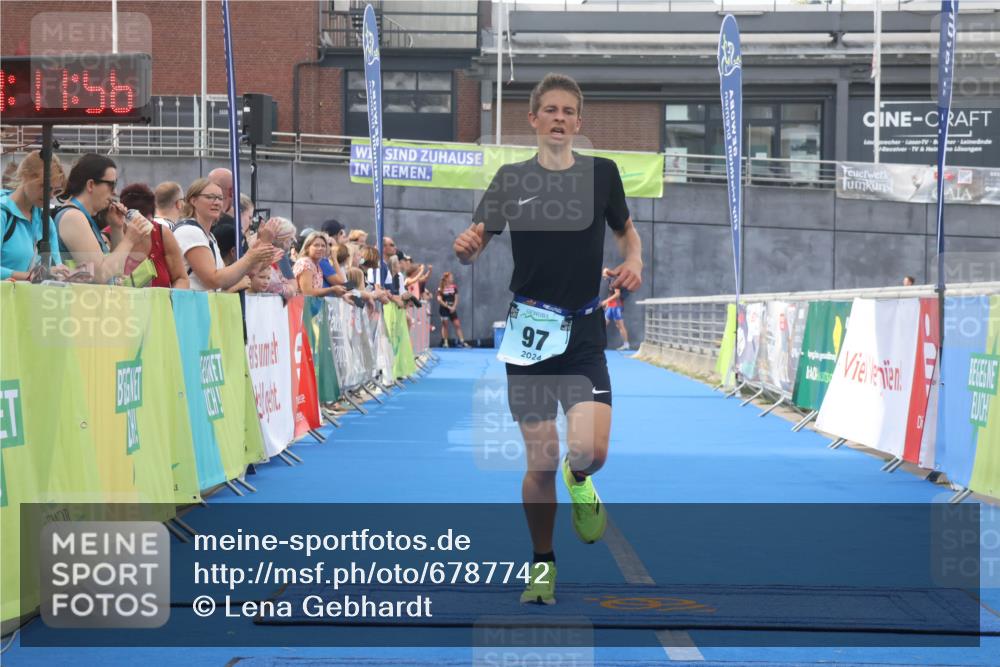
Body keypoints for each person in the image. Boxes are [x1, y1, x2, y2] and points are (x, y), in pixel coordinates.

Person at [453, 73, 642, 605]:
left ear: (579, 123)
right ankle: (542, 565)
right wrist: (467, 247)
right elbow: (475, 243)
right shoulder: (511, 180)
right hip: (529, 333)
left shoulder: (602, 174)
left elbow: (626, 231)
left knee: (591, 450)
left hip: (583, 329)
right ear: (532, 119)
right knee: (540, 460)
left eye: (568, 111)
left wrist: (634, 260)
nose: (559, 118)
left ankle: (580, 478)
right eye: (550, 110)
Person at [56, 153, 153, 284]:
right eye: (111, 185)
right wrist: (129, 240)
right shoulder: (73, 217)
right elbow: (100, 274)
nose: (115, 192)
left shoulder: (83, 217)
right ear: (90, 185)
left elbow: (114, 271)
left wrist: (117, 228)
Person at [173, 178, 272, 291]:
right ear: (193, 200)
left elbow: (227, 279)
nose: (217, 202)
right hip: (190, 305)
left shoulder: (209, 236)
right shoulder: (190, 231)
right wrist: (249, 258)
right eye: (210, 197)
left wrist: (260, 247)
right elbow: (213, 279)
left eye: (220, 198)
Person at [1, 151, 67, 281]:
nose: (51, 196)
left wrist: (62, 273)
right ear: (25, 176)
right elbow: (37, 276)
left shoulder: (46, 222)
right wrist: (29, 276)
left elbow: (54, 266)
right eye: (45, 187)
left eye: (55, 190)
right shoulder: (3, 215)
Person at [119, 183, 189, 289]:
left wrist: (169, 299)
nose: (142, 226)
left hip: (159, 304)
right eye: (135, 221)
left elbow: (181, 278)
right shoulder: (111, 235)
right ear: (123, 218)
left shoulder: (162, 234)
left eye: (147, 221)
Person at [294, 232, 350, 299]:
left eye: (323, 246)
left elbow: (346, 286)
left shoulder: (317, 263)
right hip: (302, 307)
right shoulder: (306, 263)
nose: (320, 248)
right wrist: (334, 259)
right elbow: (307, 292)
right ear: (307, 247)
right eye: (316, 245)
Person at [436, 271, 470, 347]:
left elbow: (456, 298)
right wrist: (448, 307)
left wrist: (454, 307)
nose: (452, 278)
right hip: (444, 309)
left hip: (452, 309)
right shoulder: (440, 288)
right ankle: (445, 342)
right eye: (451, 277)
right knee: (445, 325)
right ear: (447, 278)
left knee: (457, 324)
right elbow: (439, 300)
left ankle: (462, 341)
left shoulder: (454, 287)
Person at [601, 267, 630, 351]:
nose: (603, 275)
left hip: (616, 306)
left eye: (604, 273)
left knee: (620, 325)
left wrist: (606, 301)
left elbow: (617, 294)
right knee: (603, 324)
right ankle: (598, 344)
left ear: (608, 273)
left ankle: (626, 344)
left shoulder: (615, 281)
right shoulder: (610, 281)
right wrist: (607, 304)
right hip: (610, 306)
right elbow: (610, 294)